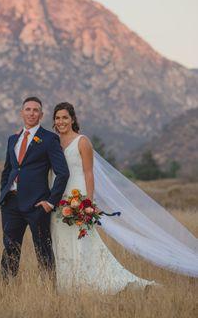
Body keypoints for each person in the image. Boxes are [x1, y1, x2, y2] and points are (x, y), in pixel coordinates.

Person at [50, 101, 155, 293]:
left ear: (72, 119)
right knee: (61, 238)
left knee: (82, 238)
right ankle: (66, 285)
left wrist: (87, 203)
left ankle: (88, 281)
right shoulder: (53, 141)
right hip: (57, 196)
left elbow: (89, 173)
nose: (61, 121)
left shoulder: (82, 141)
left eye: (65, 117)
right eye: (57, 118)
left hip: (77, 195)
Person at [0, 96, 69, 283]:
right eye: (27, 109)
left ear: (41, 115)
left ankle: (48, 288)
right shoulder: (12, 139)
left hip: (37, 205)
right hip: (11, 204)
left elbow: (63, 173)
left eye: (35, 110)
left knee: (43, 248)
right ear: (22, 113)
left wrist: (51, 202)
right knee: (10, 248)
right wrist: (3, 193)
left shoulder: (49, 139)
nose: (31, 113)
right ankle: (6, 288)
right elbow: (8, 170)